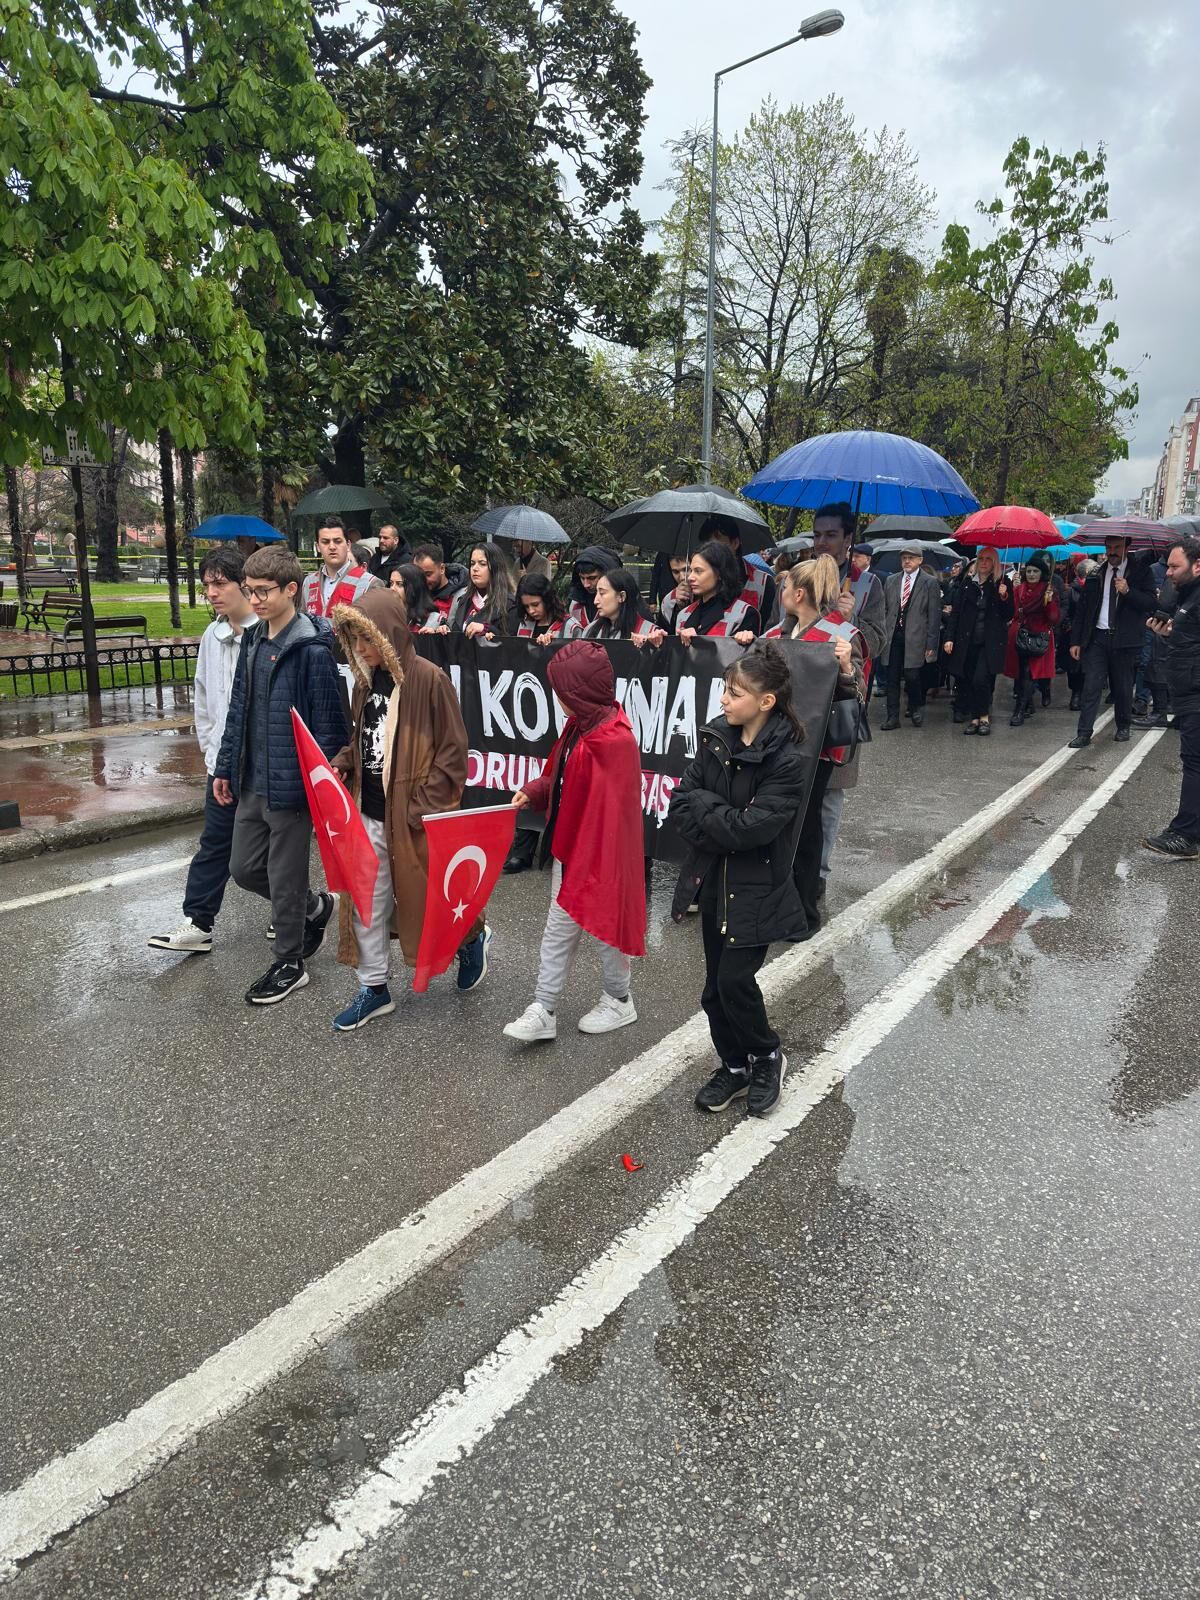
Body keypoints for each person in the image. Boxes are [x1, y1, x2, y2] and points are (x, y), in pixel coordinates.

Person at [328, 588, 490, 1028]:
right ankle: (374, 987)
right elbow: (366, 741)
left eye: (367, 638)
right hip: (369, 814)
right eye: (354, 640)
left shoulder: (429, 680)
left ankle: (470, 937)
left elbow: (453, 754)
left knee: (434, 899)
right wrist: (344, 762)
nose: (361, 648)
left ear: (389, 634)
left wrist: (421, 808)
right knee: (368, 901)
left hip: (415, 817)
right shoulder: (365, 682)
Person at [668, 642, 808, 1117]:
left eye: (735, 693)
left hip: (757, 889)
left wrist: (708, 809)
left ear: (766, 701)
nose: (724, 700)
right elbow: (681, 804)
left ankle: (766, 1056)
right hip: (712, 881)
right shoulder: (716, 740)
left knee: (733, 981)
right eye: (725, 690)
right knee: (714, 990)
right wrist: (719, 817)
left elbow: (751, 830)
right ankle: (734, 1065)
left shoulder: (786, 761)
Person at [213, 547, 349, 1004]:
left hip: (292, 787)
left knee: (285, 876)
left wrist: (324, 783)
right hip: (253, 778)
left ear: (291, 589)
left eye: (262, 591)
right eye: (249, 591)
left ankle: (290, 962)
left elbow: (330, 724)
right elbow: (238, 709)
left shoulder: (311, 648)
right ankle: (315, 907)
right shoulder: (254, 639)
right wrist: (226, 766)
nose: (254, 600)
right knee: (244, 868)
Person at [503, 642, 645, 1042]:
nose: (557, 699)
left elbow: (614, 812)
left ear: (579, 693)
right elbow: (562, 778)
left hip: (600, 855)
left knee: (605, 928)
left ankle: (618, 999)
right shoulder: (579, 727)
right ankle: (544, 1007)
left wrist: (592, 857)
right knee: (560, 928)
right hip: (573, 851)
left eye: (561, 691)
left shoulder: (614, 741)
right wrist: (536, 790)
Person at [148, 549, 260, 953]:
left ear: (243, 585)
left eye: (220, 583)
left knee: (268, 849)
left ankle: (299, 910)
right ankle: (198, 922)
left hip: (263, 763)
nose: (212, 592)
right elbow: (205, 697)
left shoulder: (267, 632)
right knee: (215, 842)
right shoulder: (213, 636)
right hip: (223, 763)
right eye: (207, 584)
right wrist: (212, 754)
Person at [768, 555, 867, 936]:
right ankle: (779, 906)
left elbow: (858, 694)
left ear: (799, 593)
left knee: (806, 830)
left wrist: (846, 669)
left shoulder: (842, 634)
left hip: (817, 748)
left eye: (786, 587)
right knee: (778, 827)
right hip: (777, 743)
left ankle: (805, 913)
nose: (781, 593)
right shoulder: (779, 632)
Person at [1069, 534, 1158, 747]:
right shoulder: (1096, 573)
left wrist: (1128, 591)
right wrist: (1076, 641)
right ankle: (1084, 732)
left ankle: (1123, 725)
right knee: (1091, 686)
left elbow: (1150, 603)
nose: (1112, 552)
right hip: (1098, 638)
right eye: (1108, 547)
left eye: (1117, 547)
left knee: (1122, 687)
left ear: (1127, 546)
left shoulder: (1141, 572)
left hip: (1125, 640)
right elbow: (1083, 611)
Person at [1143, 536, 1200, 859]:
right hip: (1188, 691)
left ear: (1197, 565)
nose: (1168, 573)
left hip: (1196, 693)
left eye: (1175, 567)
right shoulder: (1187, 595)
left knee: (1194, 763)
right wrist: (1168, 633)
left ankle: (1185, 835)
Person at [943, 547, 1014, 736]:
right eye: (980, 558)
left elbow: (1009, 614)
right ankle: (974, 718)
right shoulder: (967, 584)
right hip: (967, 640)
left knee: (980, 679)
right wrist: (949, 638)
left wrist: (1004, 596)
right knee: (968, 680)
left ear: (994, 563)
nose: (983, 562)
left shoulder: (1002, 583)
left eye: (988, 559)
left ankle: (984, 717)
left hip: (989, 642)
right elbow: (956, 614)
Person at [811, 502, 887, 662]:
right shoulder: (794, 579)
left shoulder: (868, 584)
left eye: (831, 535)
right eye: (817, 535)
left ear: (848, 539)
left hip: (841, 673)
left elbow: (877, 644)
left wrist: (851, 619)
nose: (821, 542)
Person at [880, 543, 941, 730]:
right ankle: (892, 717)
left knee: (912, 675)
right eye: (904, 558)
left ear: (920, 560)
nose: (907, 561)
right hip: (893, 635)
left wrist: (931, 643)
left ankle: (915, 707)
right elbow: (885, 609)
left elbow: (934, 615)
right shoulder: (891, 580)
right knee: (892, 677)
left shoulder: (929, 582)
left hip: (916, 637)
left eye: (911, 558)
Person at [1004, 553, 1060, 726]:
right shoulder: (1019, 589)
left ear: (1041, 573)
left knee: (1029, 673)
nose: (1031, 574)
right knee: (1021, 674)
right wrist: (1007, 595)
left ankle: (1019, 710)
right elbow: (1012, 613)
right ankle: (1028, 704)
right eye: (1029, 571)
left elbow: (1053, 618)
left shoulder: (1048, 589)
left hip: (1038, 637)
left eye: (1035, 571)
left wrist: (1049, 602)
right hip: (1020, 635)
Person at [679, 541, 760, 640]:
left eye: (698, 571)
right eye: (691, 570)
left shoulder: (743, 614)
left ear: (720, 573)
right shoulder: (684, 614)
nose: (690, 577)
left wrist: (698, 642)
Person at [702, 516, 776, 624]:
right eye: (707, 544)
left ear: (735, 543)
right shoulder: (698, 580)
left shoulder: (763, 583)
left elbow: (769, 626)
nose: (711, 551)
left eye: (717, 544)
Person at [302, 517, 380, 619]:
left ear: (348, 545)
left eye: (337, 541)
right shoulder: (309, 582)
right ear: (318, 547)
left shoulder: (369, 583)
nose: (332, 547)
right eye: (325, 542)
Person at [442, 542, 517, 637]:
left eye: (482, 564)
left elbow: (512, 641)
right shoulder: (463, 600)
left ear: (496, 568)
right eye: (472, 564)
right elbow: (457, 635)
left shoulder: (509, 604)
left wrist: (486, 629)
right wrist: (445, 631)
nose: (475, 568)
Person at [582, 567, 660, 643]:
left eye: (602, 593)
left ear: (622, 596)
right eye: (596, 593)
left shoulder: (651, 634)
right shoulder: (590, 631)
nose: (595, 601)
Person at [566, 546, 620, 631]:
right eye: (582, 578)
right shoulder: (575, 604)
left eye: (592, 578)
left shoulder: (621, 605)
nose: (586, 584)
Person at [411, 542, 468, 621]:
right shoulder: (412, 595)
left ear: (442, 568)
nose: (423, 580)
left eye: (428, 574)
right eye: (418, 575)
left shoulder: (461, 597)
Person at [516, 572, 579, 642]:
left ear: (547, 599)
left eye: (535, 605)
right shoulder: (525, 624)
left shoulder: (570, 626)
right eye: (526, 606)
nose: (531, 611)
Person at [389, 562, 440, 632]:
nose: (392, 588)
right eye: (391, 583)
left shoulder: (433, 619)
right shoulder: (387, 614)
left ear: (414, 588)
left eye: (399, 584)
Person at [654, 554, 692, 633]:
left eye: (686, 569)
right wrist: (679, 609)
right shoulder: (668, 601)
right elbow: (665, 632)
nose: (682, 577)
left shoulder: (707, 595)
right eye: (676, 572)